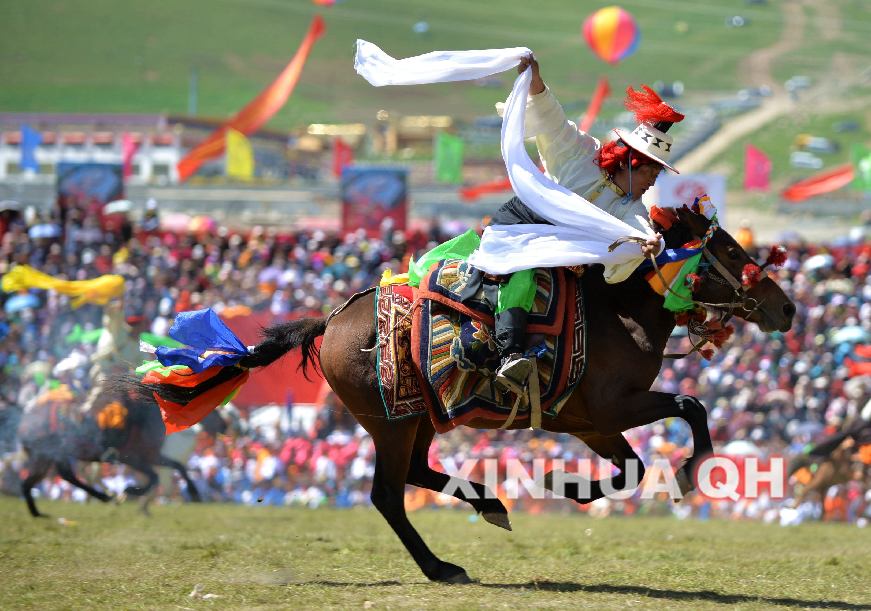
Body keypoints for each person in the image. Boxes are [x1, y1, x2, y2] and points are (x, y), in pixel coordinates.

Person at [490, 56, 685, 391]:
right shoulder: (580, 154)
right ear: (629, 161)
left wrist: (654, 244)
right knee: (524, 272)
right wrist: (535, 80)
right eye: (650, 171)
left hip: (561, 258)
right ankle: (510, 355)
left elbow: (641, 233)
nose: (653, 181)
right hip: (520, 227)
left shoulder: (631, 207)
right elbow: (553, 119)